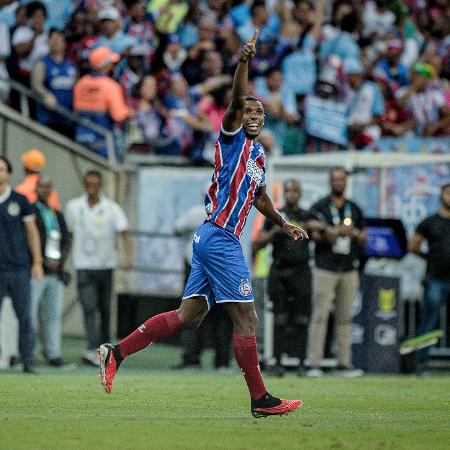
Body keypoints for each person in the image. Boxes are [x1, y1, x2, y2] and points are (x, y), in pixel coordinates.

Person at [98, 30, 308, 418]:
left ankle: (117, 351)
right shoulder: (231, 139)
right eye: (249, 111)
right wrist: (243, 62)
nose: (255, 116)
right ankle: (261, 400)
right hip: (220, 238)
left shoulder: (258, 154)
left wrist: (284, 223)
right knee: (247, 317)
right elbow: (235, 100)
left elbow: (259, 196)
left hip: (213, 238)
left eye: (260, 113)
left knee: (188, 317)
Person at [254, 180, 322, 377]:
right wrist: (277, 230)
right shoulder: (276, 216)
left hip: (301, 271)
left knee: (302, 318)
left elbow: (322, 234)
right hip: (279, 271)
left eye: (295, 190)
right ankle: (277, 362)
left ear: (300, 194)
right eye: (288, 191)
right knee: (280, 318)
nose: (291, 194)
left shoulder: (307, 216)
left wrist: (315, 228)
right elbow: (258, 244)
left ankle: (302, 363)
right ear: (284, 193)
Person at [65, 170, 133, 366]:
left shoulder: (111, 208)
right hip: (83, 265)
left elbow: (125, 233)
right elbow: (68, 235)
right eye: (87, 184)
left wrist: (127, 257)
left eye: (94, 184)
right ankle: (92, 348)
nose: (90, 187)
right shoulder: (73, 207)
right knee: (88, 306)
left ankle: (104, 348)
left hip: (105, 265)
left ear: (100, 185)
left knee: (104, 308)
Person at [306, 167, 367, 378]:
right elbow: (310, 228)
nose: (339, 182)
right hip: (325, 268)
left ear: (346, 182)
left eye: (342, 179)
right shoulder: (321, 206)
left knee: (345, 317)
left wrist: (354, 233)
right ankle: (314, 363)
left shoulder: (354, 208)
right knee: (320, 316)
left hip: (349, 268)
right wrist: (328, 231)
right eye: (335, 179)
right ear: (330, 181)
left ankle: (344, 363)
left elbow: (364, 237)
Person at [173, 202, 232, 370]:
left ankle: (192, 359)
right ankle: (222, 362)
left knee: (190, 313)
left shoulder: (196, 212)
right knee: (222, 317)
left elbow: (177, 229)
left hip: (197, 269)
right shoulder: (231, 213)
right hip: (221, 267)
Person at [0, 156, 43, 374]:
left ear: (8, 174)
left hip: (18, 268)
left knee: (25, 316)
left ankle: (28, 360)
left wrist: (36, 261)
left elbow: (32, 232)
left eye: (2, 170)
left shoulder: (20, 201)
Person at [409, 183, 450, 375]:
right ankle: (421, 364)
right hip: (435, 278)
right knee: (429, 321)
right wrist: (429, 258)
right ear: (441, 195)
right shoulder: (430, 221)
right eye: (448, 192)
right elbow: (413, 245)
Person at [31, 177, 72, 368]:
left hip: (55, 272)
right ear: (36, 189)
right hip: (37, 271)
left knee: (53, 315)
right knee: (30, 314)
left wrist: (60, 261)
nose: (45, 190)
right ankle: (28, 353)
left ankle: (53, 353)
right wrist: (39, 261)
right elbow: (27, 240)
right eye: (41, 187)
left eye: (48, 187)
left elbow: (66, 239)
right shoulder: (30, 211)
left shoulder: (57, 214)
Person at [73, 46, 131, 159]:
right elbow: (118, 115)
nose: (112, 66)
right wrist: (129, 112)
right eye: (111, 63)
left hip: (81, 138)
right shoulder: (111, 86)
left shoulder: (80, 83)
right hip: (103, 143)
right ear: (105, 65)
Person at [31, 28, 77, 138]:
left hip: (67, 119)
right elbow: (36, 85)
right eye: (52, 39)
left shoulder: (71, 66)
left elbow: (75, 88)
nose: (55, 42)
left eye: (58, 39)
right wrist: (46, 95)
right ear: (48, 42)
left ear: (64, 43)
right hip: (47, 118)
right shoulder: (42, 63)